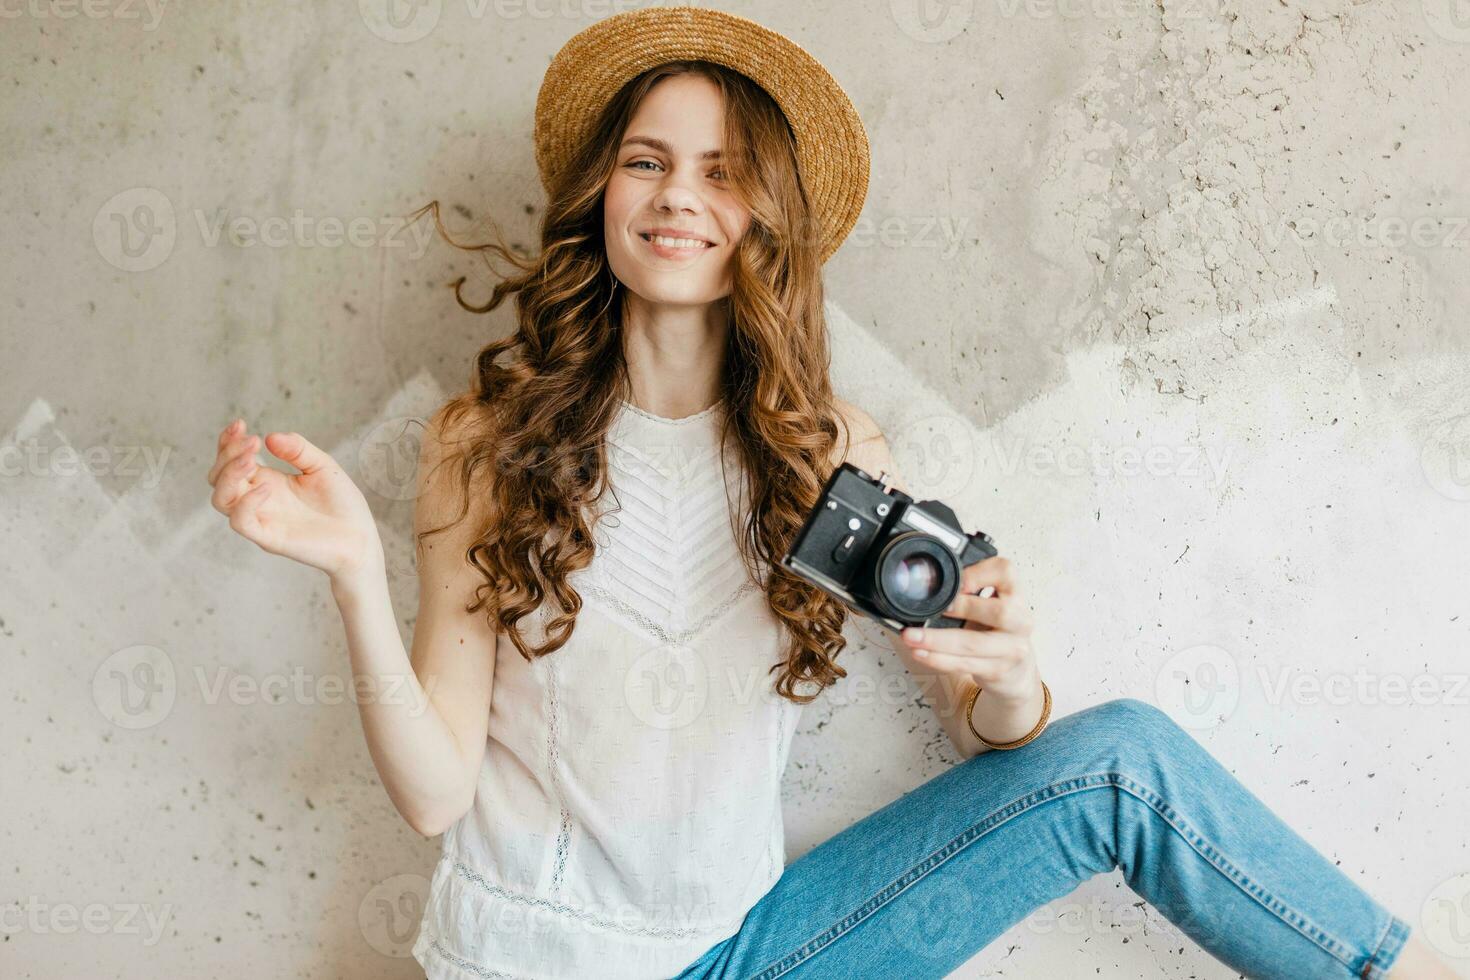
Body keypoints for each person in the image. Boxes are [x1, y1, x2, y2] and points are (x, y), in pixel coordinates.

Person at [205, 8, 1456, 979]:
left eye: (722, 168)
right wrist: (359, 575)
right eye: (647, 161)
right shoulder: (490, 441)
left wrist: (1010, 682)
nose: (680, 193)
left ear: (766, 217)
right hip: (537, 962)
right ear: (603, 199)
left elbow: (979, 720)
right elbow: (434, 792)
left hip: (754, 950)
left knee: (1121, 757)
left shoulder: (826, 447)